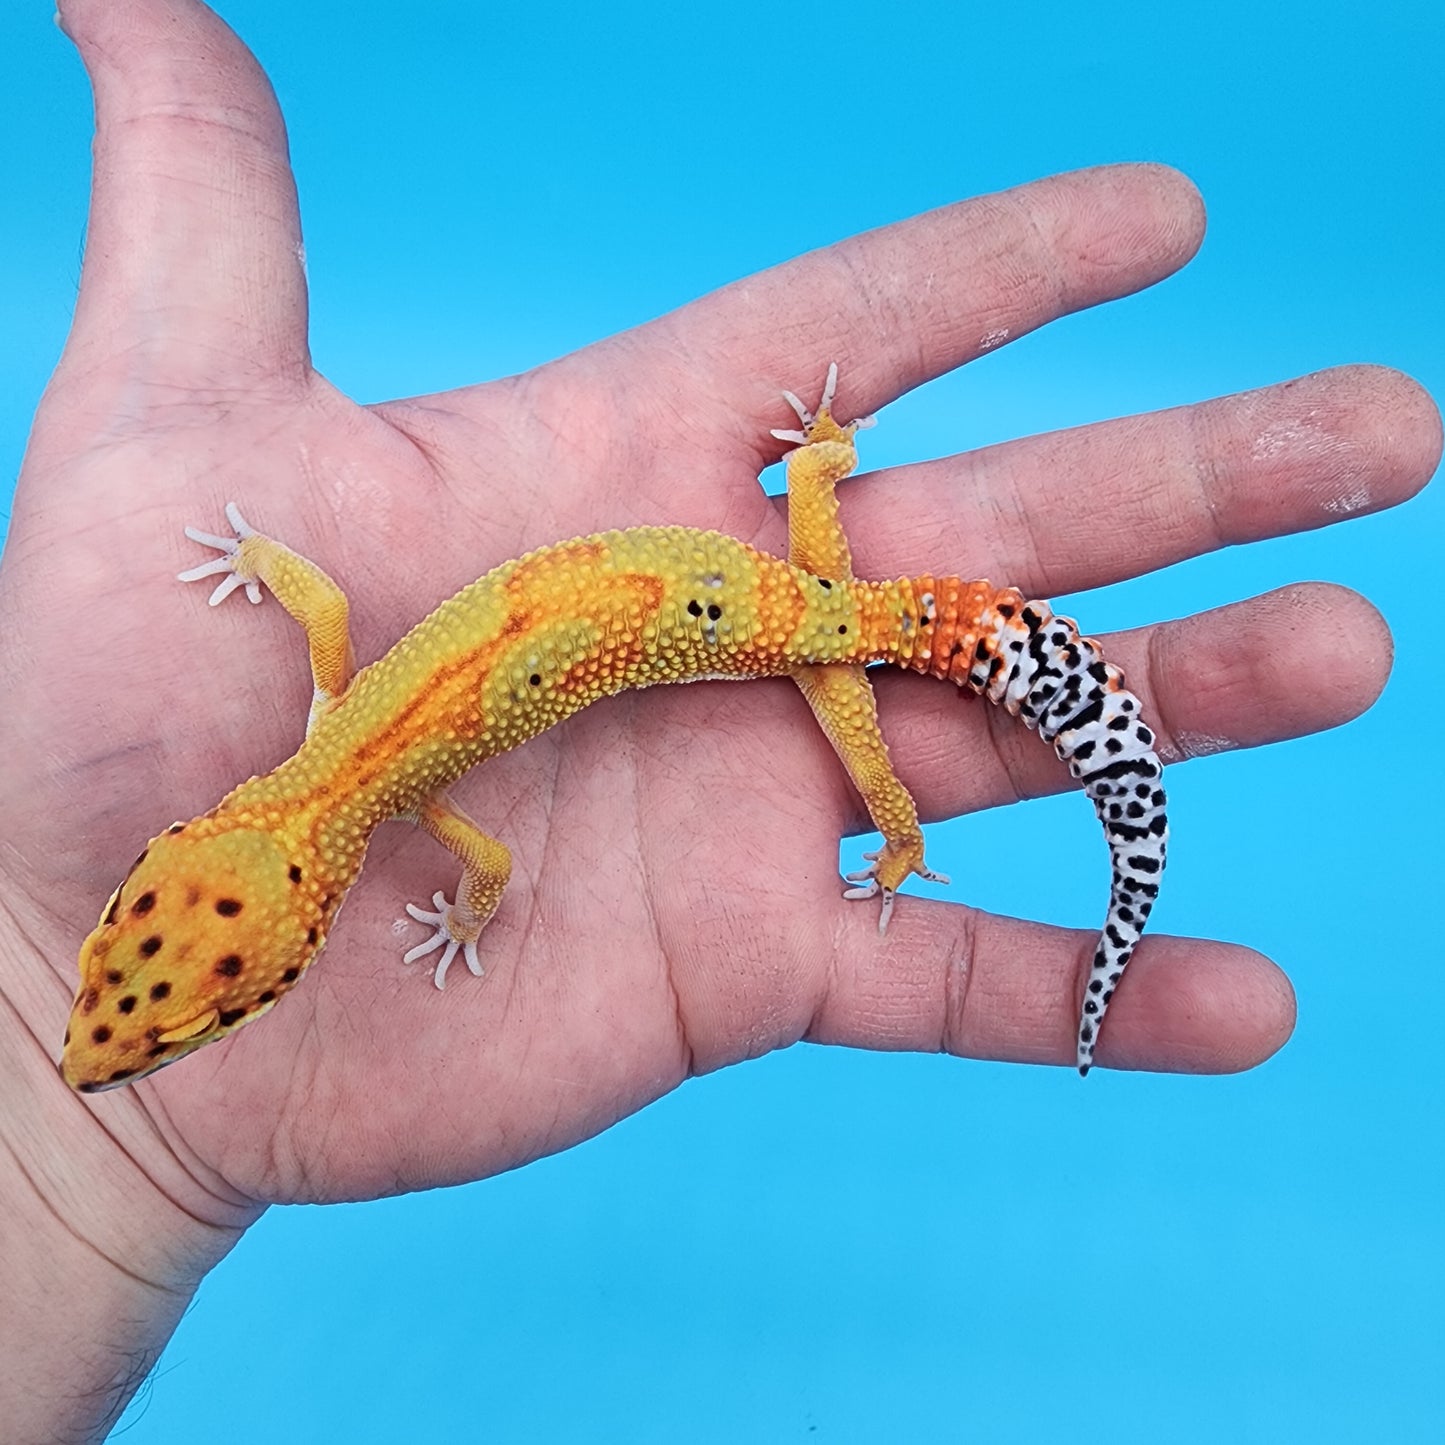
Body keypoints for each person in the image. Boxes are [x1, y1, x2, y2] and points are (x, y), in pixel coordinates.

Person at [1, 0, 1438, 1438]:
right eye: (197, 997)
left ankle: (944, 825)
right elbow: (325, 619)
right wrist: (266, 560)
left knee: (875, 736)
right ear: (221, 864)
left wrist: (478, 912)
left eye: (175, 975)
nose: (135, 1016)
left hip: (812, 625)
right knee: (868, 717)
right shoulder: (342, 720)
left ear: (221, 867)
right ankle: (965, 776)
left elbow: (480, 863)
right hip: (786, 588)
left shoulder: (385, 786)